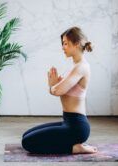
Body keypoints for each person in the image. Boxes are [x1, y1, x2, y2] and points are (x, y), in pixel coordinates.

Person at [21, 26, 98, 154]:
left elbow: (57, 91)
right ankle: (72, 145)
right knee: (26, 135)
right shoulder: (75, 66)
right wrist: (54, 86)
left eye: (66, 43)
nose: (63, 47)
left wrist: (52, 86)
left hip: (77, 127)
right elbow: (59, 89)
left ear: (77, 44)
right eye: (63, 44)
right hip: (68, 121)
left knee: (27, 142)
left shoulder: (81, 67)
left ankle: (74, 148)